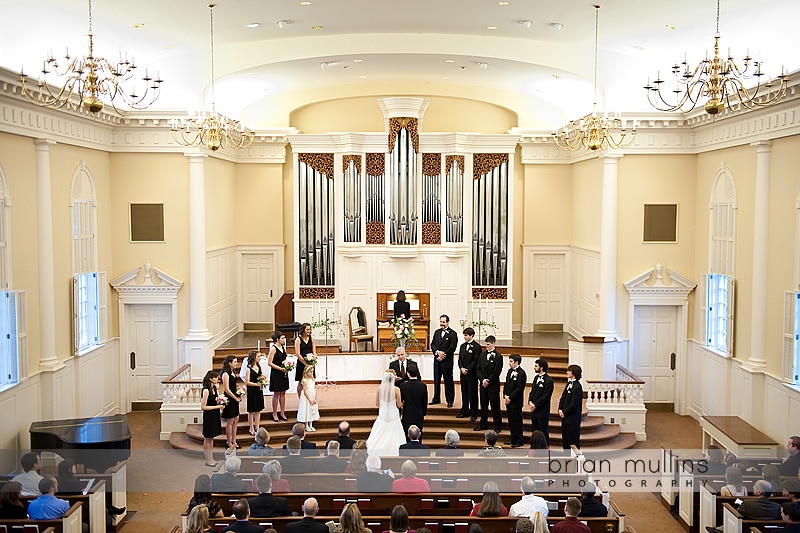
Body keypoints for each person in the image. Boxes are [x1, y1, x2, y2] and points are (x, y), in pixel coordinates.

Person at [366, 370, 406, 457]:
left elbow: (377, 403)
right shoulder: (396, 389)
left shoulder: (380, 388)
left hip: (383, 413)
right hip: (393, 413)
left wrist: (384, 406)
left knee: (379, 431)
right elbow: (399, 405)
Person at [475, 336, 503, 433]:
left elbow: (497, 371)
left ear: (493, 343)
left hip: (493, 385)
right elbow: (478, 369)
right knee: (483, 405)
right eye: (486, 344)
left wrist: (488, 381)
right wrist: (482, 379)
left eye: (488, 344)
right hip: (483, 385)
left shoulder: (498, 356)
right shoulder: (482, 355)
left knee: (495, 406)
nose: (487, 346)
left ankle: (498, 425)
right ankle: (483, 423)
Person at [430, 314, 458, 407]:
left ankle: (450, 400)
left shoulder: (453, 334)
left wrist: (443, 355)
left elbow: (452, 347)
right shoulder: (437, 332)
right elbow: (433, 344)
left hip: (447, 362)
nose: (442, 324)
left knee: (448, 381)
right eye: (441, 322)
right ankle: (436, 398)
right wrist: (437, 352)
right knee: (436, 380)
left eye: (444, 322)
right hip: (437, 360)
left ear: (448, 322)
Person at [528, 358, 554, 447]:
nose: (534, 367)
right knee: (535, 429)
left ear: (541, 368)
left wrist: (536, 405)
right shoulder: (536, 378)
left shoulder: (549, 381)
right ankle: (534, 446)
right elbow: (532, 391)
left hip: (542, 410)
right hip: (534, 408)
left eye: (536, 366)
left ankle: (545, 447)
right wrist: (530, 401)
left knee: (543, 429)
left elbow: (546, 396)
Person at [201, 369, 225, 466]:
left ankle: (211, 458)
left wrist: (221, 402)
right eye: (215, 377)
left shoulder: (214, 388)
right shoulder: (206, 390)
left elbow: (216, 399)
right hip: (209, 416)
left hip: (215, 415)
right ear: (211, 379)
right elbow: (203, 407)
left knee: (212, 438)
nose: (217, 379)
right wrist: (217, 406)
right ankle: (207, 460)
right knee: (208, 438)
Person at [503, 353, 527, 448]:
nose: (509, 363)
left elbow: (519, 388)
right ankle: (513, 438)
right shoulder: (509, 371)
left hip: (515, 402)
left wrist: (511, 398)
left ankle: (519, 439)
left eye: (511, 361)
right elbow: (506, 384)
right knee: (511, 421)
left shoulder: (521, 373)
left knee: (517, 421)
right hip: (508, 400)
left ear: (517, 362)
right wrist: (505, 395)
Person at [457, 327, 480, 421]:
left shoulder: (477, 347)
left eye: (466, 335)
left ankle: (474, 412)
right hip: (463, 374)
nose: (465, 337)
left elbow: (476, 361)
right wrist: (461, 368)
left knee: (472, 394)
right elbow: (460, 359)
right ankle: (465, 410)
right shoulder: (462, 346)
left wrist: (468, 369)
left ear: (472, 336)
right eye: (464, 335)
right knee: (464, 393)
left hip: (472, 375)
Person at [558, 364, 583, 450]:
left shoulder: (577, 387)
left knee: (573, 441)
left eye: (569, 371)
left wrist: (564, 412)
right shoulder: (569, 383)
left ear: (574, 372)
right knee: (565, 440)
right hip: (565, 418)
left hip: (572, 419)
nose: (567, 372)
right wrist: (560, 409)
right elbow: (562, 398)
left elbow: (574, 405)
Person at [221, 355, 243, 450]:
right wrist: (235, 398)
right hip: (229, 398)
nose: (236, 363)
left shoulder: (233, 372)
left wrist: (239, 390)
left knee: (236, 419)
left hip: (234, 397)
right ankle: (228, 441)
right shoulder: (225, 374)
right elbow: (226, 389)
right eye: (235, 362)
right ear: (229, 363)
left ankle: (234, 440)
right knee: (230, 421)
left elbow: (233, 384)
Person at [267, 333, 289, 423]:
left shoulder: (283, 347)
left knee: (283, 393)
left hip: (283, 373)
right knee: (276, 393)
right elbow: (269, 363)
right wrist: (281, 368)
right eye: (282, 338)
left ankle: (282, 412)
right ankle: (275, 413)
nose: (284, 340)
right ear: (277, 339)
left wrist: (287, 366)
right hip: (276, 373)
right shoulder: (273, 349)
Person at [399, 365, 428, 434]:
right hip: (418, 415)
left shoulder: (403, 386)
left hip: (407, 415)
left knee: (407, 435)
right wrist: (423, 413)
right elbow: (425, 401)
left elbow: (401, 401)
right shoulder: (423, 386)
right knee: (418, 435)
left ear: (408, 374)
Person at [245, 349, 267, 434]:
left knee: (258, 409)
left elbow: (261, 376)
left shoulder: (259, 366)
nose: (260, 358)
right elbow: (247, 382)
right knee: (251, 410)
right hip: (252, 391)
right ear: (254, 357)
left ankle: (257, 427)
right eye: (258, 356)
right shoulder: (248, 369)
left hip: (258, 390)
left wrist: (263, 381)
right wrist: (257, 384)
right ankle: (251, 428)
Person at [295, 323, 317, 399]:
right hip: (301, 363)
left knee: (311, 381)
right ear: (303, 330)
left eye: (310, 329)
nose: (309, 331)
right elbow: (297, 353)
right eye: (307, 329)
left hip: (310, 363)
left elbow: (314, 351)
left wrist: (313, 358)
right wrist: (305, 363)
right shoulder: (298, 339)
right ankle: (300, 399)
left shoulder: (312, 339)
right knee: (301, 382)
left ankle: (310, 398)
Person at [298, 364, 320, 431]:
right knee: (307, 409)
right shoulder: (304, 380)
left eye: (312, 372)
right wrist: (310, 399)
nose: (311, 373)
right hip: (307, 397)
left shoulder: (313, 380)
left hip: (312, 395)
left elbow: (315, 389)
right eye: (310, 372)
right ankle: (307, 425)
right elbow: (305, 391)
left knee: (311, 410)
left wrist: (315, 398)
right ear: (306, 372)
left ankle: (311, 424)